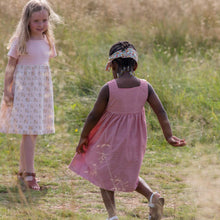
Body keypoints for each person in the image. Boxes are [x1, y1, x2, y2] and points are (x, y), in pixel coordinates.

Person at [69, 41, 186, 220]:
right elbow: (160, 111)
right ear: (135, 65)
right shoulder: (146, 87)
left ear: (114, 65)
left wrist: (84, 137)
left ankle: (112, 215)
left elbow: (93, 116)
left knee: (104, 174)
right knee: (128, 173)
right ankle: (152, 197)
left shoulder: (109, 88)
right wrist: (168, 136)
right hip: (135, 140)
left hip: (110, 140)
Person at [0, 0, 61, 191]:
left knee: (32, 130)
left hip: (40, 90)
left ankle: (22, 169)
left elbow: (44, 64)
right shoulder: (21, 41)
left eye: (44, 20)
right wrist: (7, 90)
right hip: (24, 89)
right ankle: (29, 174)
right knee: (30, 131)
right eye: (36, 21)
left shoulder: (47, 40)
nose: (41, 24)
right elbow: (10, 67)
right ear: (27, 21)